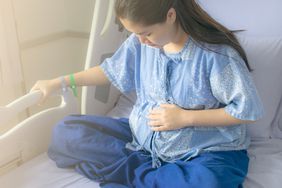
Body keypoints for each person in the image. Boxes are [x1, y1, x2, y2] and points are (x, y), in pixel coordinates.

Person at [30, 0, 264, 187]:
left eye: (147, 33)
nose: (141, 41)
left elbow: (247, 110)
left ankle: (130, 174)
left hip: (203, 151)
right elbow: (110, 71)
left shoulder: (216, 56)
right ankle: (150, 175)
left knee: (209, 182)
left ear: (171, 15)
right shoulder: (140, 42)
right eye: (136, 34)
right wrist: (59, 82)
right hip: (141, 140)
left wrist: (185, 117)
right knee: (66, 132)